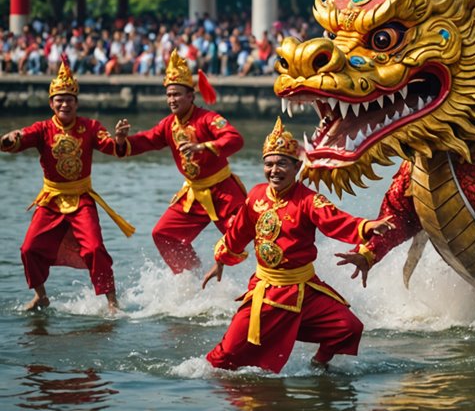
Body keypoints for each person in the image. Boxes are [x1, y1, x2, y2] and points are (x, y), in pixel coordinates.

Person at [201, 118, 390, 373]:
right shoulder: (255, 196)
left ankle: (318, 366)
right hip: (266, 293)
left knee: (348, 328)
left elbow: (335, 220)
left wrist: (366, 227)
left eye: (282, 164)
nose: (274, 170)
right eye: (269, 164)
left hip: (304, 290)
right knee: (222, 360)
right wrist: (221, 260)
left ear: (297, 167)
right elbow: (238, 233)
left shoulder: (309, 200)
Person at [0, 60, 135, 311]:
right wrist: (10, 138)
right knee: (29, 248)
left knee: (95, 248)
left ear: (76, 103)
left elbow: (111, 148)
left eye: (69, 99)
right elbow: (18, 139)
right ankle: (41, 296)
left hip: (82, 199)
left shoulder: (91, 127)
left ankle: (113, 303)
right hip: (51, 200)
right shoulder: (42, 129)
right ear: (51, 103)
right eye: (59, 100)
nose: (64, 104)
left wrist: (119, 139)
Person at [117, 50, 245, 273]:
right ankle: (191, 278)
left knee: (249, 235)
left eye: (176, 94)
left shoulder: (208, 119)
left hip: (223, 192)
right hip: (193, 195)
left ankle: (272, 281)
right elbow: (146, 140)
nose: (172, 100)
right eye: (168, 95)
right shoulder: (168, 125)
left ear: (191, 96)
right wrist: (121, 140)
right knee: (163, 234)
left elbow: (234, 139)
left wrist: (202, 146)